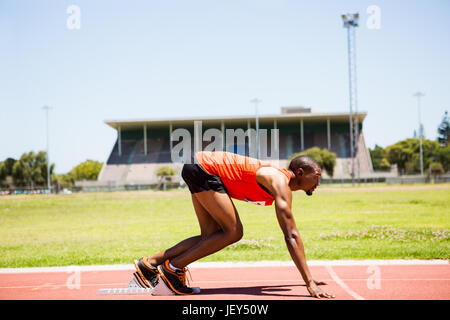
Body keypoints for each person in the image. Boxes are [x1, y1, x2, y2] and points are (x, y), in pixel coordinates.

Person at [134, 151, 335, 299]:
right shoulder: (279, 182)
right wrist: (309, 282)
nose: (318, 183)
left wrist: (307, 279)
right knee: (233, 232)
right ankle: (173, 269)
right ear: (300, 173)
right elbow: (291, 234)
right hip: (204, 168)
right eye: (316, 177)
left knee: (211, 236)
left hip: (198, 166)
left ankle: (150, 263)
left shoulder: (278, 179)